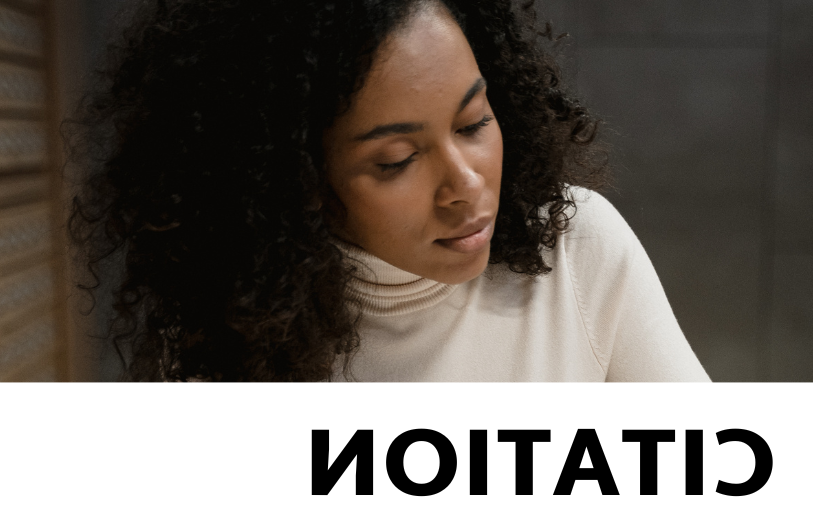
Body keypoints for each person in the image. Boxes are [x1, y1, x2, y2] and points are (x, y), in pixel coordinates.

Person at [71, 0, 710, 383]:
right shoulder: (237, 341)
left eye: (474, 123)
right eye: (398, 160)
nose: (465, 183)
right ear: (301, 183)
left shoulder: (577, 250)